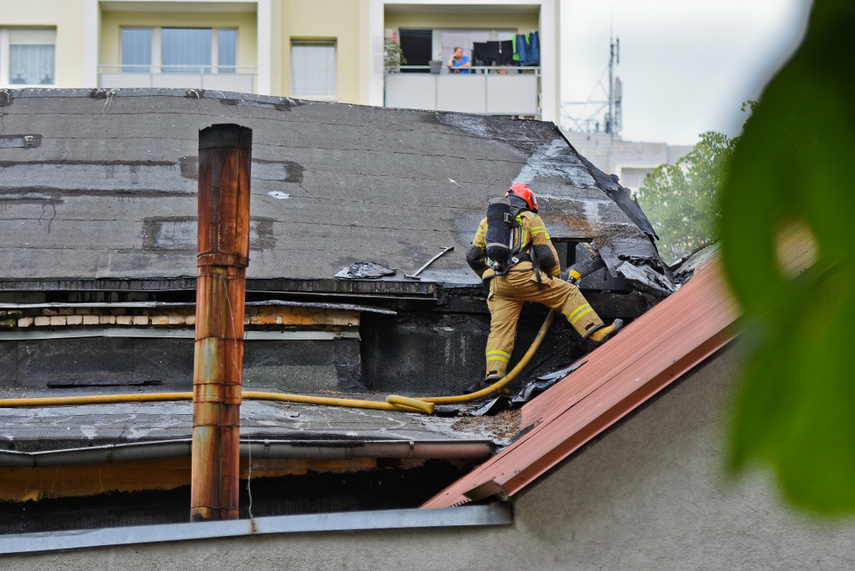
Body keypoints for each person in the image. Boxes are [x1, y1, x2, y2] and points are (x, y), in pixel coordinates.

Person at [466, 183, 622, 387]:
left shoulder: (487, 222)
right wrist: (555, 278)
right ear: (529, 201)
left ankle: (495, 379)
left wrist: (488, 277)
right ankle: (595, 332)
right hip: (523, 278)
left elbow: (473, 257)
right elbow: (546, 255)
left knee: (500, 330)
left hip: (499, 286)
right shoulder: (530, 218)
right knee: (568, 293)